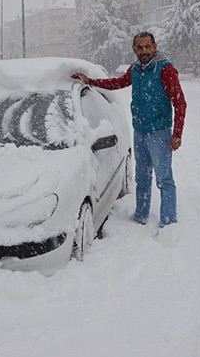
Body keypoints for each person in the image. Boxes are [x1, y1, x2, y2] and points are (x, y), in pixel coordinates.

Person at [71, 31, 186, 227]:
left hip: (159, 133)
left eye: (148, 47)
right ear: (134, 49)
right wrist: (90, 81)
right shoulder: (135, 69)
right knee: (142, 177)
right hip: (140, 132)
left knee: (164, 179)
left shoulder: (165, 70)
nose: (144, 51)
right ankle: (141, 215)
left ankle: (169, 222)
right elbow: (117, 83)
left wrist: (177, 134)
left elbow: (180, 103)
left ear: (155, 47)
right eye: (140, 47)